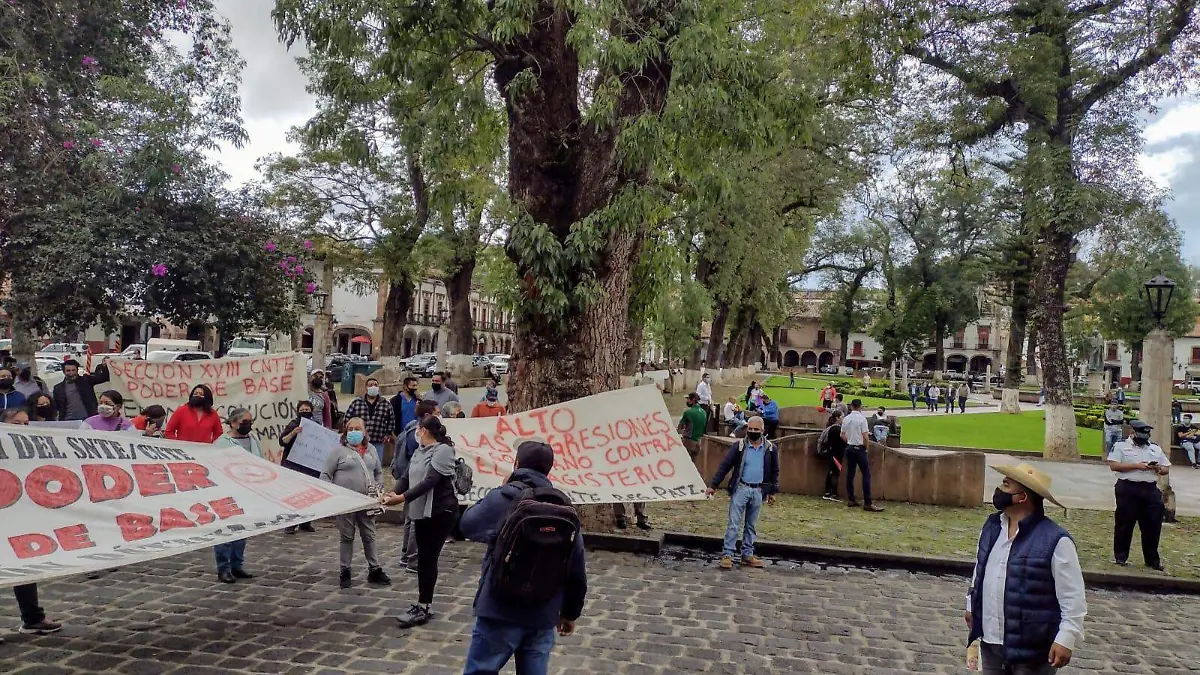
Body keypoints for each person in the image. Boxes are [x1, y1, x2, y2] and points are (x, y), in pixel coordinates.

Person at [459, 440, 588, 675]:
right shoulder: (563, 507)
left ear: (516, 464)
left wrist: (497, 490)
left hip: (499, 607)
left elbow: (467, 525)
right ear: (548, 469)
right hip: (543, 611)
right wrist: (570, 613)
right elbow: (576, 567)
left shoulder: (504, 496)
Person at [967, 463, 1085, 674]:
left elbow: (1072, 597)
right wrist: (972, 604)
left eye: (1006, 485)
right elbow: (981, 568)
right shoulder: (992, 527)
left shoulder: (1056, 541)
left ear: (1021, 497)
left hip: (1033, 648)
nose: (998, 491)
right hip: (991, 640)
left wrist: (1067, 637)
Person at [381, 415, 460, 628]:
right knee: (423, 559)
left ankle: (423, 606)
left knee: (427, 559)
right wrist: (392, 492)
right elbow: (406, 477)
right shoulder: (419, 451)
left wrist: (402, 498)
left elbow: (430, 481)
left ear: (424, 430)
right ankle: (424, 603)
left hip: (439, 511)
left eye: (419, 428)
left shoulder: (442, 450)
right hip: (422, 512)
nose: (417, 432)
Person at [0, 408, 64, 637]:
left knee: (23, 565)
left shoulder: (31, 452)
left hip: (19, 517)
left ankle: (32, 618)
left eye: (27, 424)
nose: (24, 429)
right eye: (17, 424)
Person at [321, 417, 391, 589]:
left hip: (367, 501)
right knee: (346, 537)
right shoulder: (338, 451)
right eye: (350, 429)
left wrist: (379, 487)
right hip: (345, 502)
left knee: (369, 535)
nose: (353, 432)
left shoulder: (371, 449)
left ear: (364, 431)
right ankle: (345, 570)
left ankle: (374, 569)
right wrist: (333, 495)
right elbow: (325, 475)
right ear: (345, 432)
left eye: (357, 428)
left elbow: (378, 472)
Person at [706, 416, 778, 569]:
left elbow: (774, 472)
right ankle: (728, 554)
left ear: (762, 431)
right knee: (733, 524)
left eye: (756, 430)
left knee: (751, 525)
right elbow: (725, 465)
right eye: (750, 429)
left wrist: (772, 492)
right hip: (741, 488)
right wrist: (714, 485)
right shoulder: (739, 446)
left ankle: (747, 554)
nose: (752, 432)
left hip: (758, 490)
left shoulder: (770, 449)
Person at [1107, 419, 1169, 571]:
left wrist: (1158, 468)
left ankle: (1152, 560)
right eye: (1141, 433)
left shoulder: (1154, 448)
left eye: (1146, 434)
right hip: (1128, 488)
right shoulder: (1121, 446)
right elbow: (1114, 465)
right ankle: (1121, 557)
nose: (1144, 437)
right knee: (1124, 524)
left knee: (1152, 525)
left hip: (1150, 489)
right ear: (1132, 432)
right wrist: (1137, 466)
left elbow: (1166, 468)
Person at [391, 399, 441, 572]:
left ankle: (407, 556)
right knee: (414, 522)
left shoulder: (413, 429)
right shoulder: (418, 437)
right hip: (415, 484)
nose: (439, 416)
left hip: (411, 483)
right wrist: (399, 493)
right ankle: (412, 559)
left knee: (411, 521)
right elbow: (421, 471)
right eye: (437, 412)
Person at [214, 407, 263, 584]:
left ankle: (237, 564)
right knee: (226, 530)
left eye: (250, 422)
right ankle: (223, 568)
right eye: (244, 422)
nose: (248, 425)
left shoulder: (253, 438)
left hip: (248, 491)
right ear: (233, 423)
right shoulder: (222, 442)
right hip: (228, 492)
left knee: (242, 530)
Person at [280, 400, 320, 534]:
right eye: (302, 411)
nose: (305, 413)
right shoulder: (293, 424)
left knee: (309, 496)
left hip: (310, 466)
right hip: (293, 466)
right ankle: (291, 524)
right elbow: (282, 441)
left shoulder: (316, 426)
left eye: (307, 410)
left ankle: (306, 522)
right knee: (294, 496)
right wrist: (293, 433)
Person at [841, 399, 884, 512]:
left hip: (850, 447)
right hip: (859, 448)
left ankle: (851, 499)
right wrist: (866, 447)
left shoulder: (846, 418)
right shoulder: (861, 419)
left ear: (851, 407)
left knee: (850, 474)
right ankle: (868, 502)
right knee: (866, 475)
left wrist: (849, 441)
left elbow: (842, 434)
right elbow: (865, 436)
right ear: (860, 406)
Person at [345, 377, 396, 464]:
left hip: (378, 441)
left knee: (375, 465)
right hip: (359, 441)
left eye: (375, 385)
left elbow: (391, 421)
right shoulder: (357, 402)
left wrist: (387, 434)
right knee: (358, 465)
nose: (373, 387)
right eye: (370, 385)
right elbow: (347, 419)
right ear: (366, 388)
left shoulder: (385, 404)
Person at [818, 410, 846, 502]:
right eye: (842, 416)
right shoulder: (837, 429)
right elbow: (840, 442)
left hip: (831, 453)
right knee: (835, 474)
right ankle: (834, 494)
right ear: (837, 418)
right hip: (836, 454)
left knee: (830, 472)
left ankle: (827, 493)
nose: (843, 418)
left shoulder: (831, 428)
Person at [678, 393, 708, 458]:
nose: (687, 401)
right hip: (698, 442)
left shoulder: (688, 412)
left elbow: (680, 427)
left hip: (688, 442)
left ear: (693, 400)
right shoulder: (704, 412)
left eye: (688, 399)